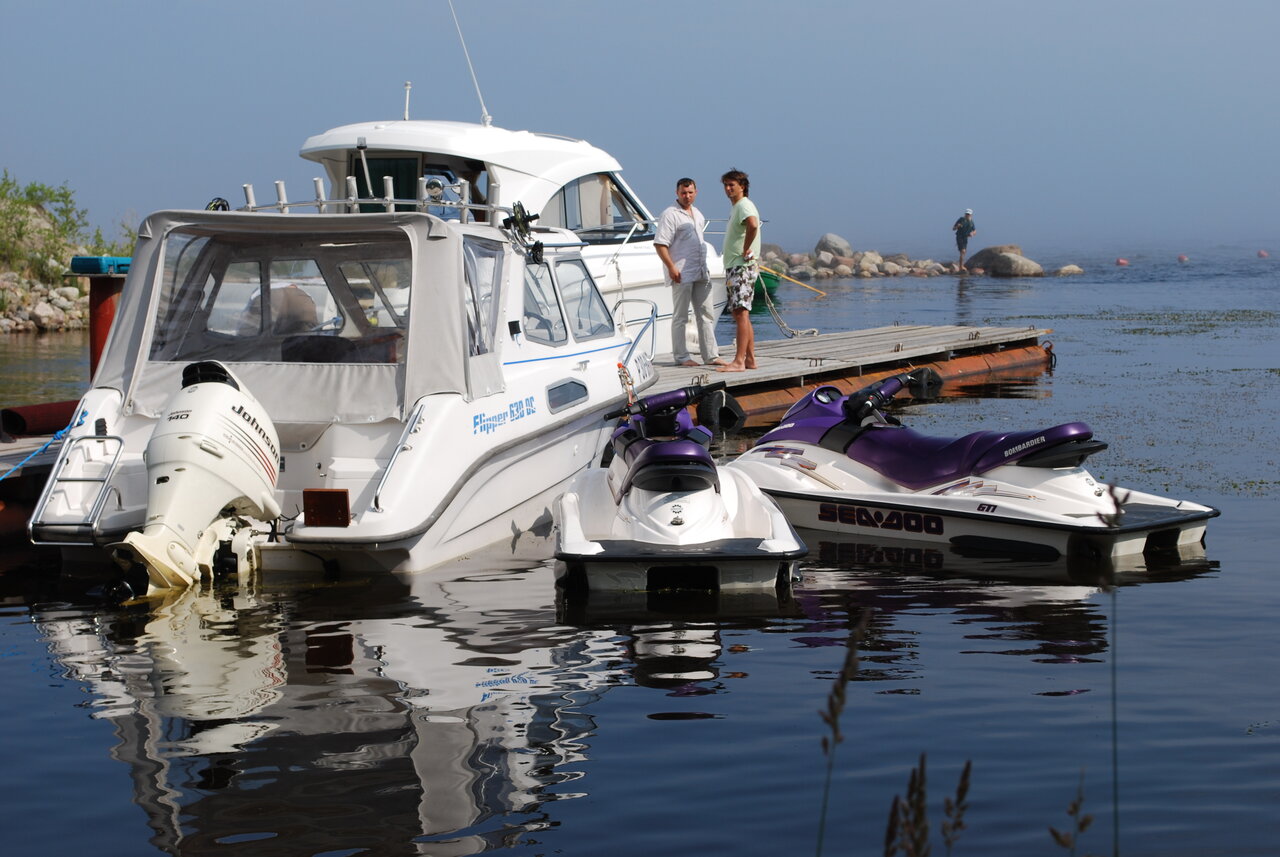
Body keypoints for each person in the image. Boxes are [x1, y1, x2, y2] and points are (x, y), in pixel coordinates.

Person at [654, 178, 723, 366]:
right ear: (677, 193)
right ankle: (682, 357)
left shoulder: (698, 214)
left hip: (700, 271)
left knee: (706, 313)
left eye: (690, 192)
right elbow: (660, 244)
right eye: (683, 193)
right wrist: (671, 267)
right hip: (681, 272)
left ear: (696, 192)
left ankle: (711, 355)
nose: (687, 196)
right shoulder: (670, 214)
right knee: (681, 316)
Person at [718, 168, 760, 373]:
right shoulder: (737, 207)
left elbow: (753, 225)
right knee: (739, 312)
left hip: (741, 266)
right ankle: (750, 359)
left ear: (742, 187)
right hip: (735, 265)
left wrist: (746, 249)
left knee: (741, 312)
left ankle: (739, 361)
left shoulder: (744, 205)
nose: (728, 189)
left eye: (731, 185)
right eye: (725, 185)